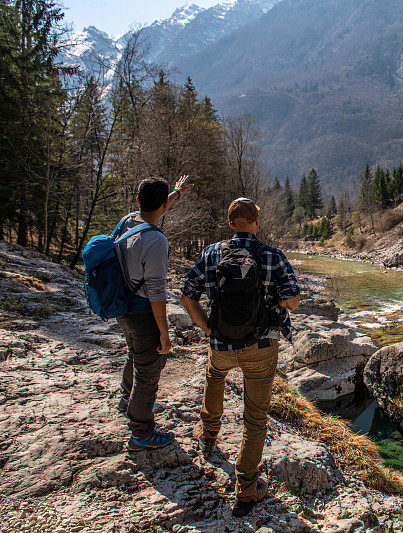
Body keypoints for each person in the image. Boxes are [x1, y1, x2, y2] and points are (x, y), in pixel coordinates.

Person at [180, 198, 300, 517]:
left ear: (231, 224)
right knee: (255, 417)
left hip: (221, 343)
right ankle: (246, 490)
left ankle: (208, 431)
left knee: (215, 376)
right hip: (260, 347)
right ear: (256, 224)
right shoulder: (272, 256)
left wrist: (208, 327)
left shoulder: (212, 253)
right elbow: (294, 301)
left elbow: (186, 297)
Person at [115, 175, 193, 451]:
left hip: (122, 306)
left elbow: (156, 208)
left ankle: (126, 400)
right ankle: (141, 431)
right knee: (149, 370)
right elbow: (157, 294)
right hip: (143, 312)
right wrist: (164, 333)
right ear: (162, 205)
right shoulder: (156, 241)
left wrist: (176, 192)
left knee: (135, 354)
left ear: (137, 201)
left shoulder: (128, 222)